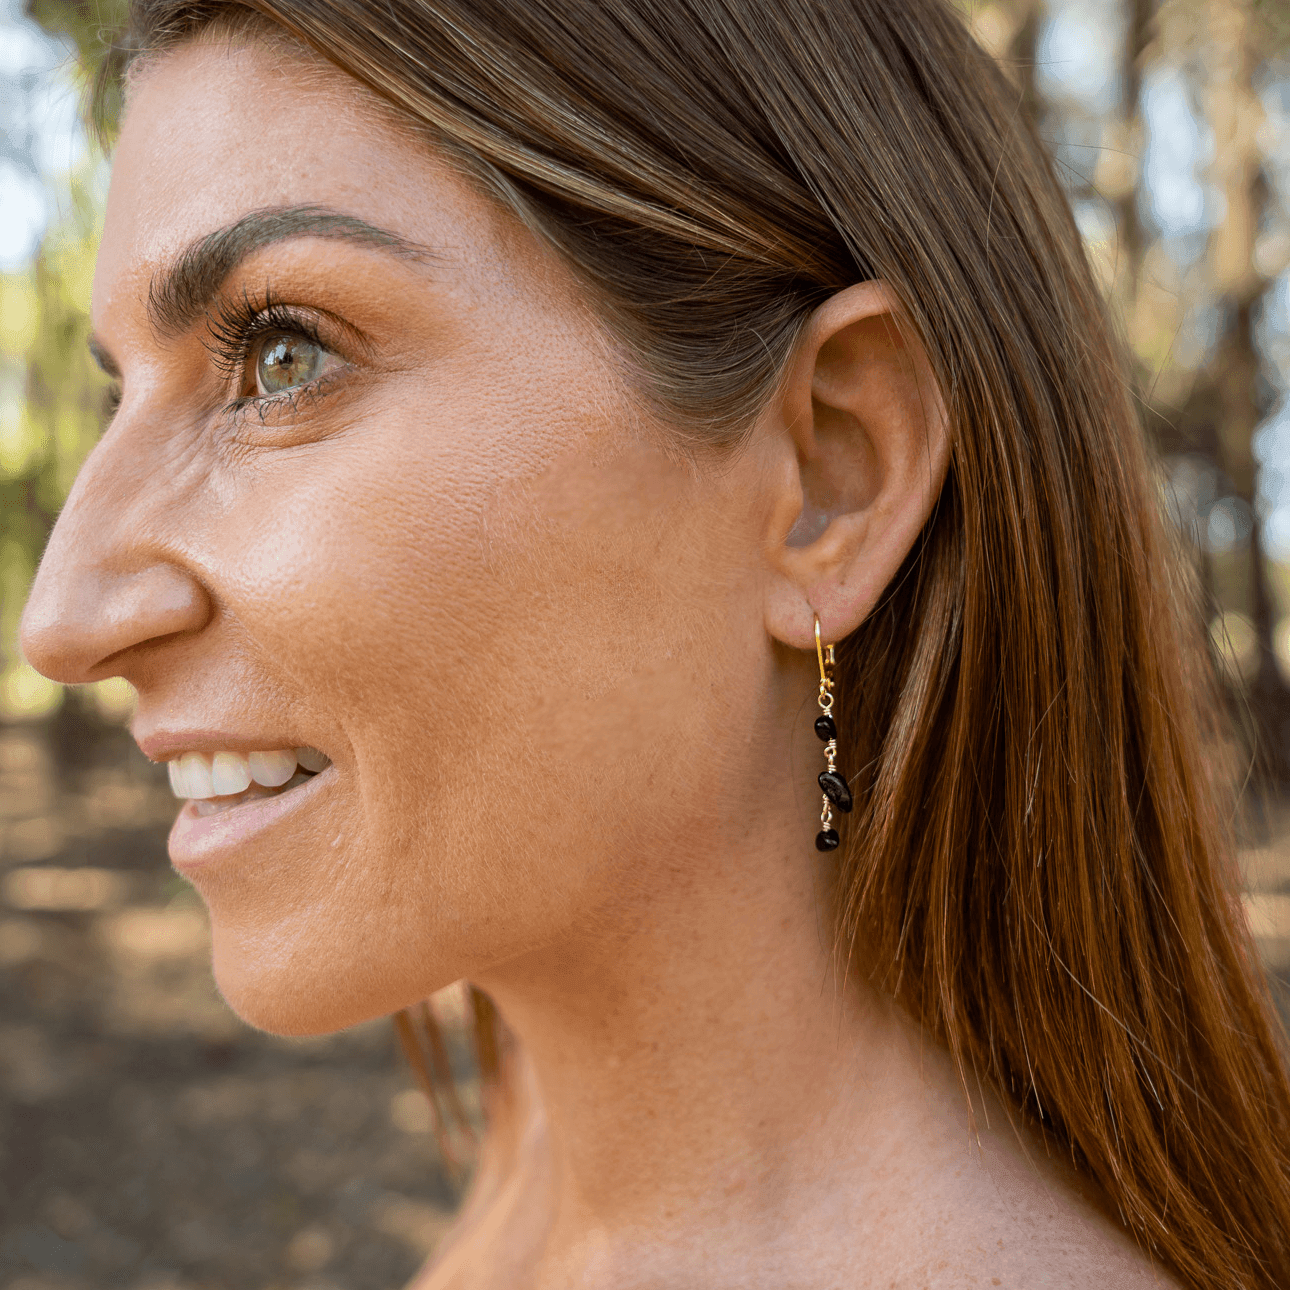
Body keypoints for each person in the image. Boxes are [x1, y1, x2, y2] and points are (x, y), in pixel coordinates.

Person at [18, 0, 1290, 1285]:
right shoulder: (545, 1156)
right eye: (124, 393)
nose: (62, 620)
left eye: (283, 355)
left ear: (834, 474)